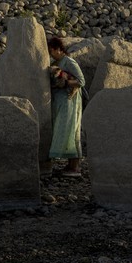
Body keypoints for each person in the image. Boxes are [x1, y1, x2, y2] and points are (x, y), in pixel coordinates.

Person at [46, 36, 86, 177]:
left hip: (70, 101)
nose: (51, 54)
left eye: (52, 51)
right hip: (61, 101)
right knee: (63, 130)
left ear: (58, 49)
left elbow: (81, 81)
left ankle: (75, 167)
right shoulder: (56, 62)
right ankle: (69, 166)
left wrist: (65, 83)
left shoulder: (68, 61)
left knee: (71, 130)